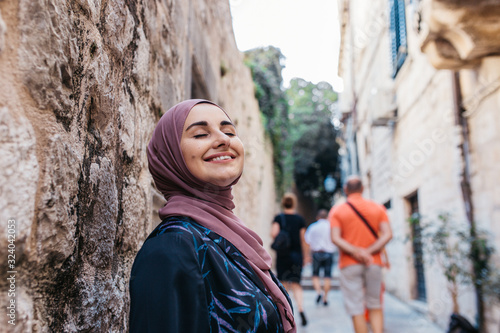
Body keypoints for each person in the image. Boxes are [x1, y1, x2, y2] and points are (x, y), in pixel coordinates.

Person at [129, 99, 296, 333]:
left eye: (229, 131)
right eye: (200, 135)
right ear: (171, 156)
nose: (223, 139)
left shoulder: (231, 237)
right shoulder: (172, 247)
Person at [328, 176, 392, 333]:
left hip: (349, 264)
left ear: (345, 189)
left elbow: (335, 238)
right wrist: (368, 252)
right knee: (375, 304)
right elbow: (387, 234)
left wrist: (357, 252)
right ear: (362, 189)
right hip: (374, 262)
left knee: (356, 308)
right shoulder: (377, 208)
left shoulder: (337, 211)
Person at [271, 193, 308, 326]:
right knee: (297, 284)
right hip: (297, 256)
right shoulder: (299, 219)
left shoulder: (279, 217)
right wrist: (306, 256)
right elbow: (303, 240)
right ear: (294, 203)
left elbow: (274, 233)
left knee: (283, 285)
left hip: (283, 255)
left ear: (283, 203)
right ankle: (301, 310)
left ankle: (285, 314)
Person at [304, 209, 338, 306]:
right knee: (327, 276)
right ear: (327, 217)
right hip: (329, 253)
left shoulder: (313, 227)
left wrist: (307, 255)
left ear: (318, 217)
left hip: (316, 253)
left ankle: (319, 292)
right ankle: (325, 298)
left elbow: (307, 241)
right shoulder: (331, 226)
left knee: (315, 275)